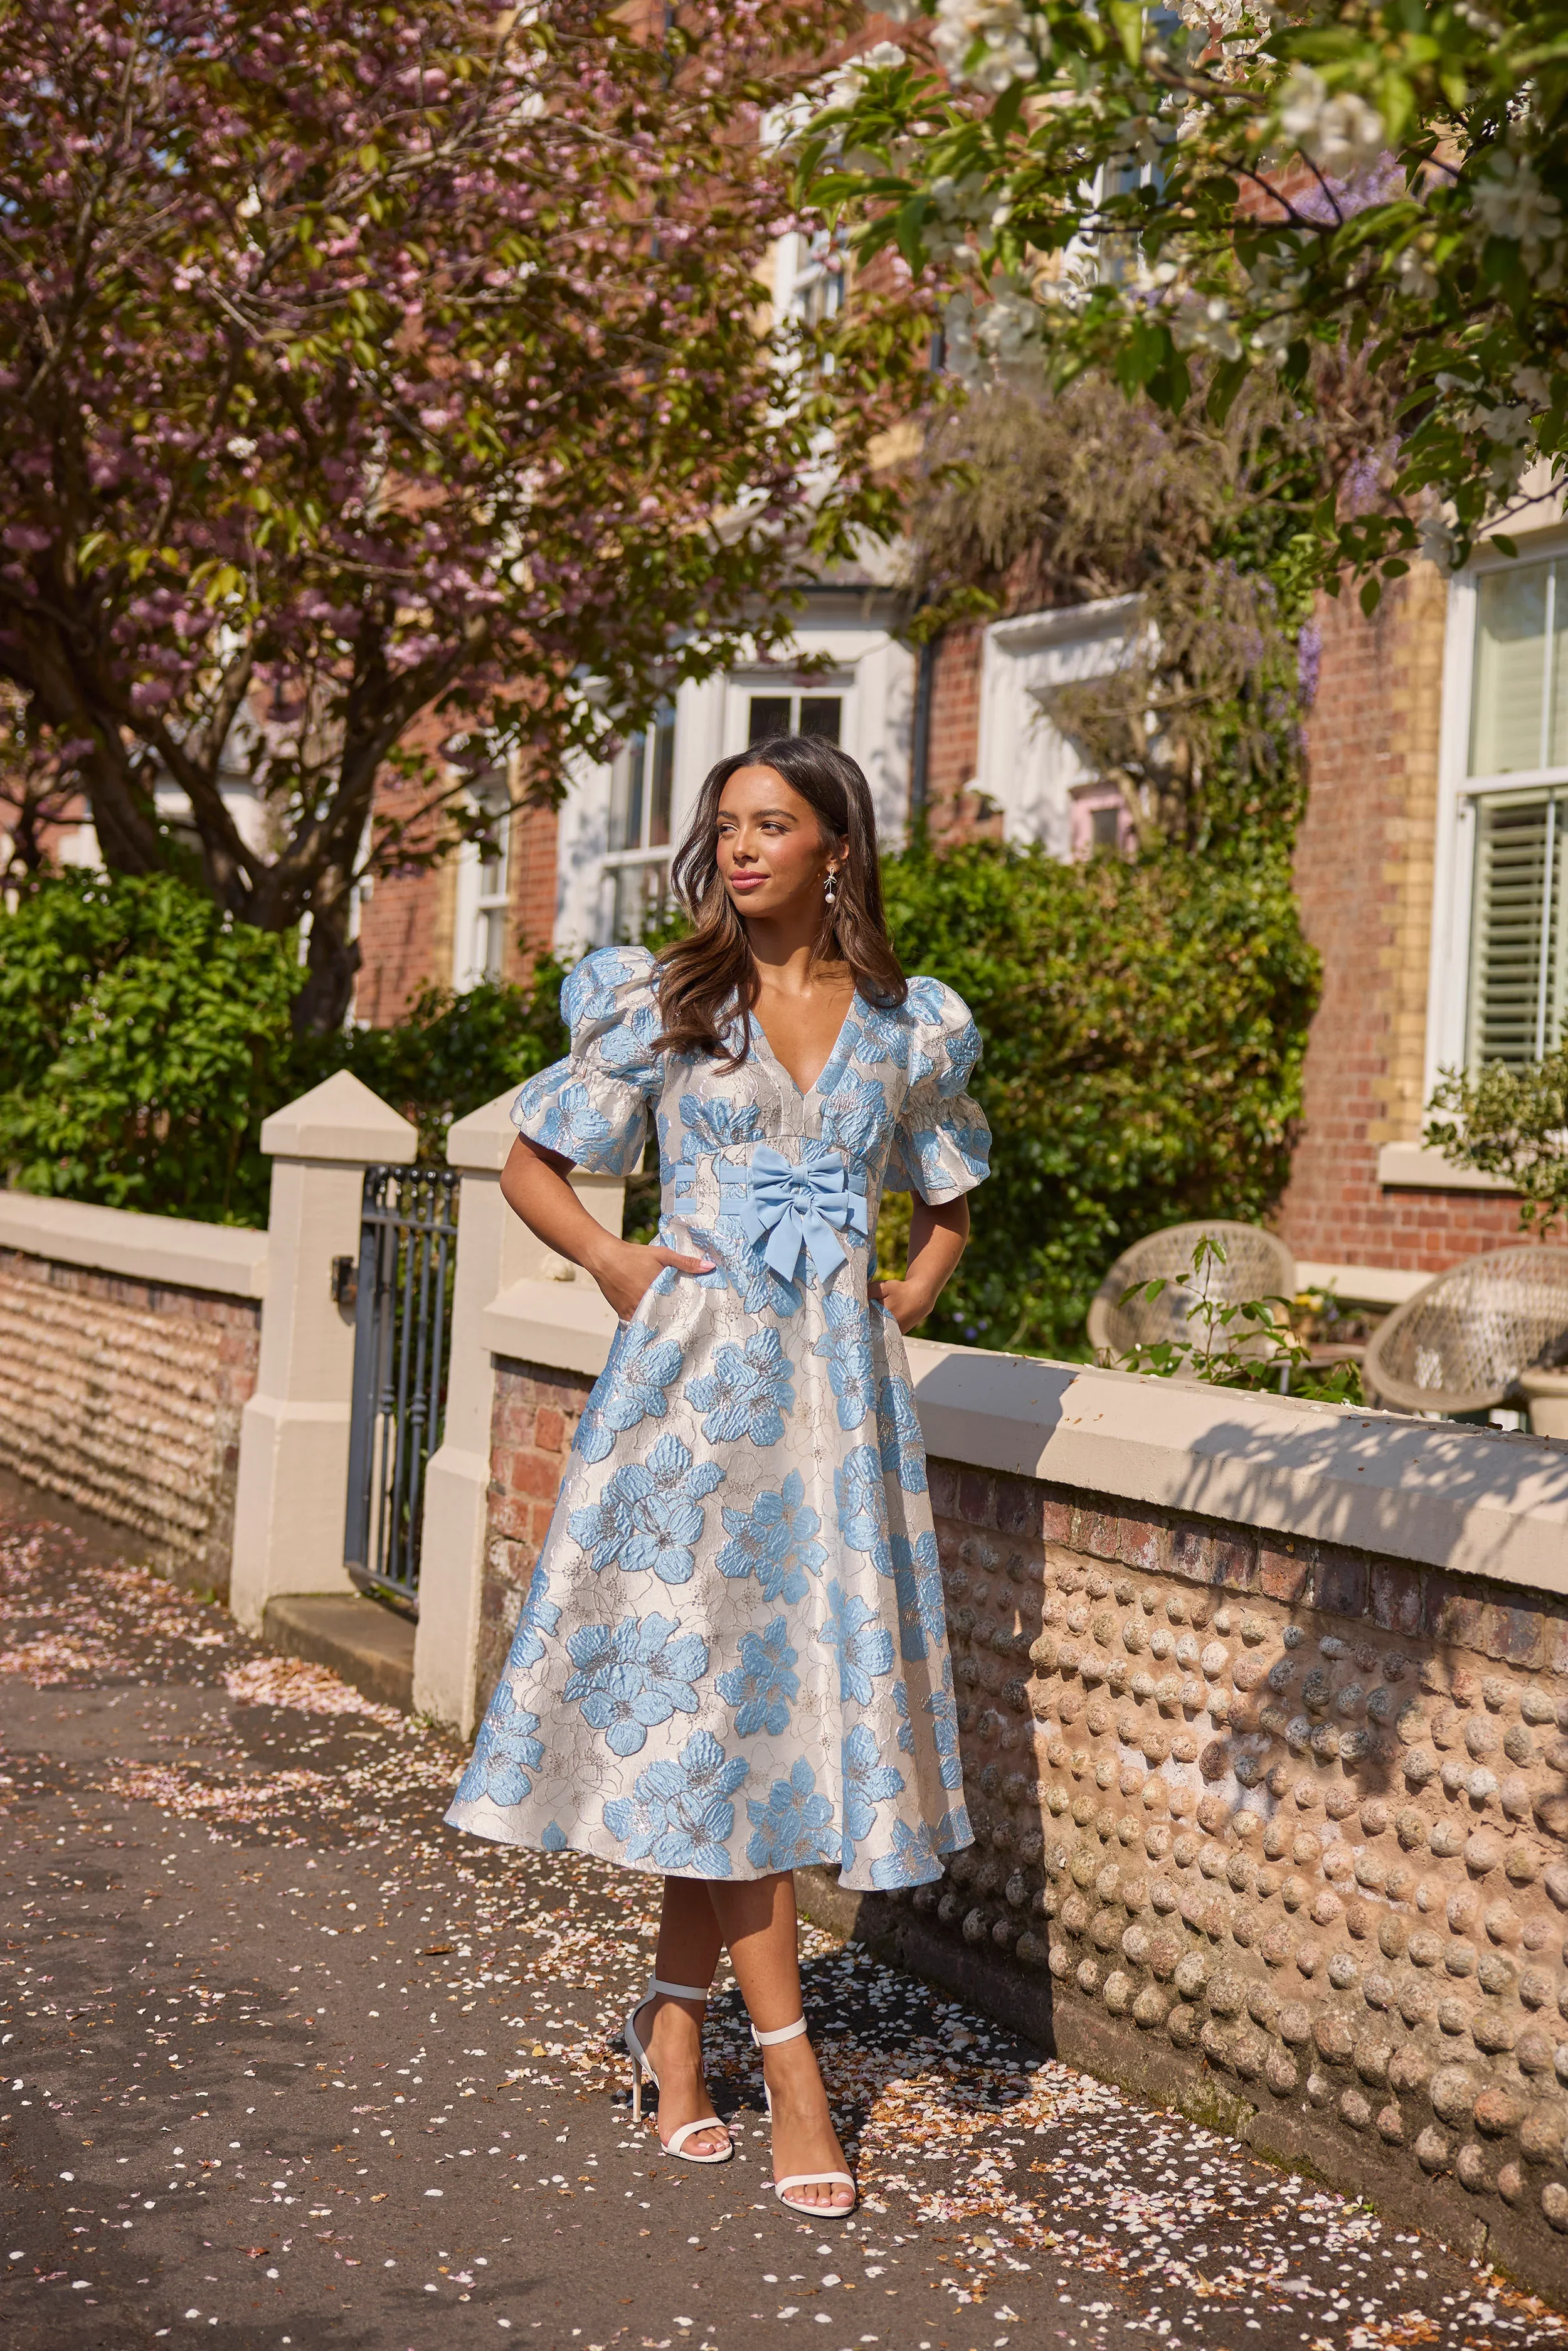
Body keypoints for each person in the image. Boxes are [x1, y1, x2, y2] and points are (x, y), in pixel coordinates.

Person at [446, 733, 989, 2216]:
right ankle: (795, 2075)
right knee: (721, 1719)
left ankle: (672, 2035)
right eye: (726, 825)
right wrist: (618, 1260)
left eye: (773, 824)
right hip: (690, 1399)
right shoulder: (668, 1000)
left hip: (834, 1410)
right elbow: (532, 1159)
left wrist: (908, 1290)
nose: (741, 847)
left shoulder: (903, 1024)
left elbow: (951, 1181)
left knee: (753, 1728)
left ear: (835, 848)